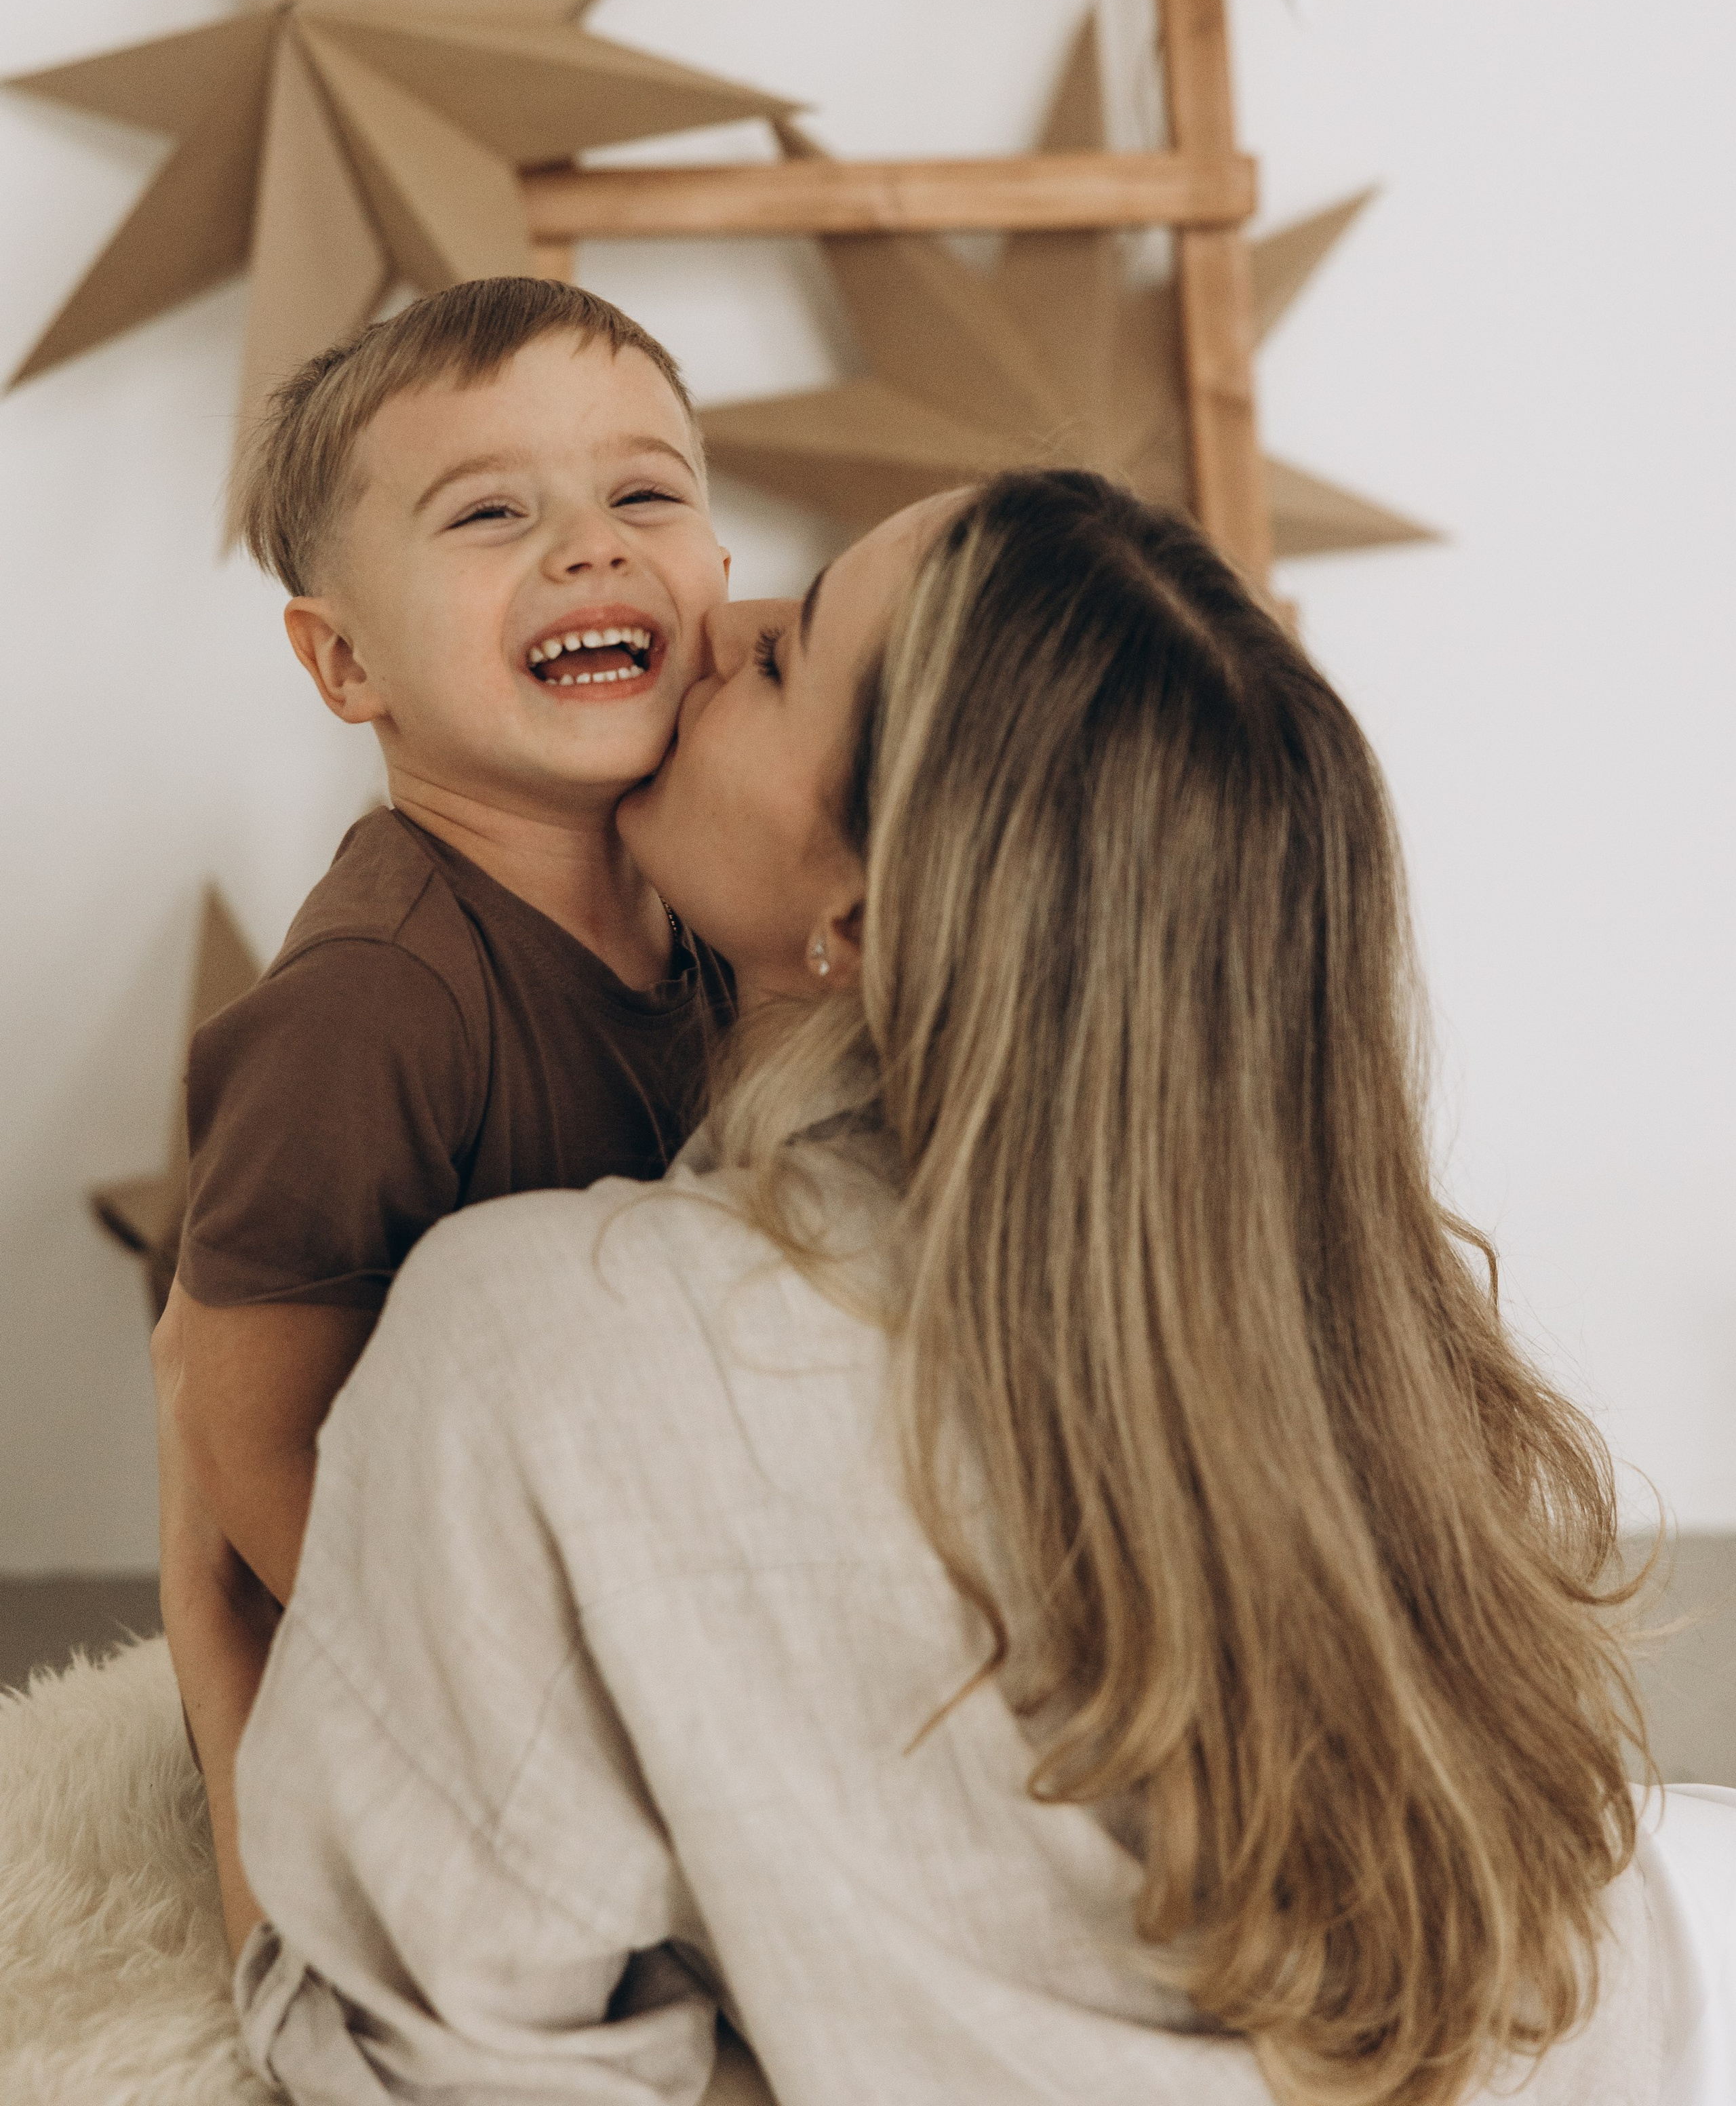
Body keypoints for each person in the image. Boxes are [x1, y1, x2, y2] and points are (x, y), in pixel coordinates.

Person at [163, 471, 1733, 2105]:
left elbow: (395, 2065)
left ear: (859, 908)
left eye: (786, 660)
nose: (726, 624)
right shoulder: (1373, 1361)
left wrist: (218, 1629)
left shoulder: (545, 1340)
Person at [157, 277, 732, 1613]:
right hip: (429, 1641)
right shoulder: (374, 1003)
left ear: (720, 572)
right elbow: (248, 1439)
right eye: (489, 513)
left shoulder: (731, 905)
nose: (591, 547)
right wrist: (441, 1686)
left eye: (643, 496)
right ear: (347, 664)